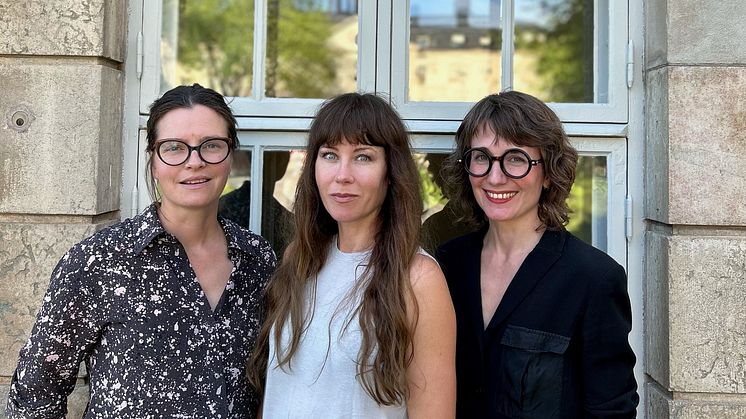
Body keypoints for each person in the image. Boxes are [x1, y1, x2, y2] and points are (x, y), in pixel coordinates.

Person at [5, 84, 276, 419]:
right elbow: (36, 392)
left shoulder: (257, 259)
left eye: (212, 146)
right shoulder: (99, 260)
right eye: (174, 148)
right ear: (153, 160)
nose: (195, 162)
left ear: (230, 155)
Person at [249, 92, 456, 418]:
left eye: (363, 157)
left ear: (391, 172)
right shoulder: (298, 259)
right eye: (330, 155)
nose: (342, 174)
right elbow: (279, 390)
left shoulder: (417, 277)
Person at [436, 91, 638, 418]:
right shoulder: (446, 264)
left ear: (549, 173)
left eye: (516, 158)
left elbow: (611, 412)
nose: (495, 176)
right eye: (481, 157)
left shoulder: (593, 279)